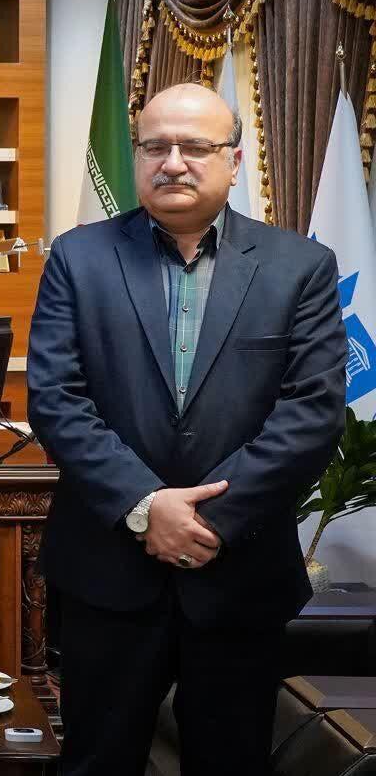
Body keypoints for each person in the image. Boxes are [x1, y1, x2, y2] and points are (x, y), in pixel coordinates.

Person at [28, 83, 347, 775]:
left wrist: (209, 520)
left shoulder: (299, 267)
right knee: (96, 763)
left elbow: (312, 411)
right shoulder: (78, 258)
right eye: (155, 147)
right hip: (108, 575)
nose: (173, 162)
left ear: (233, 160)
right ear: (138, 156)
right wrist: (147, 508)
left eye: (195, 147)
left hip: (239, 575)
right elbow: (55, 399)